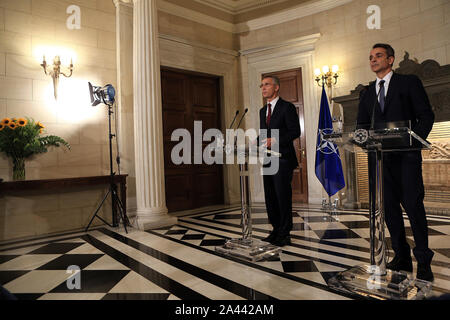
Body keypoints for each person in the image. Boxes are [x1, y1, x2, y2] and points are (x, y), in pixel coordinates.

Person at [357, 43, 435, 281]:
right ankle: (401, 256)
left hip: (407, 159)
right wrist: (363, 142)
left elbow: (426, 116)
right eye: (370, 57)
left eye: (378, 56)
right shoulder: (367, 92)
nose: (373, 60)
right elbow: (360, 126)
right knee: (390, 210)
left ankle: (423, 260)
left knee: (413, 208)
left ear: (390, 60)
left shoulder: (408, 82)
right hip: (380, 162)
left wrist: (414, 143)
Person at [258, 76, 300, 247]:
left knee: (282, 196)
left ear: (276, 88)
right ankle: (275, 230)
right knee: (270, 197)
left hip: (283, 159)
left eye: (266, 85)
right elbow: (264, 134)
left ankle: (285, 233)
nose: (263, 88)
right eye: (261, 85)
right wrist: (257, 140)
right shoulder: (263, 111)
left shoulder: (287, 107)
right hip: (267, 159)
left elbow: (294, 131)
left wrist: (274, 140)